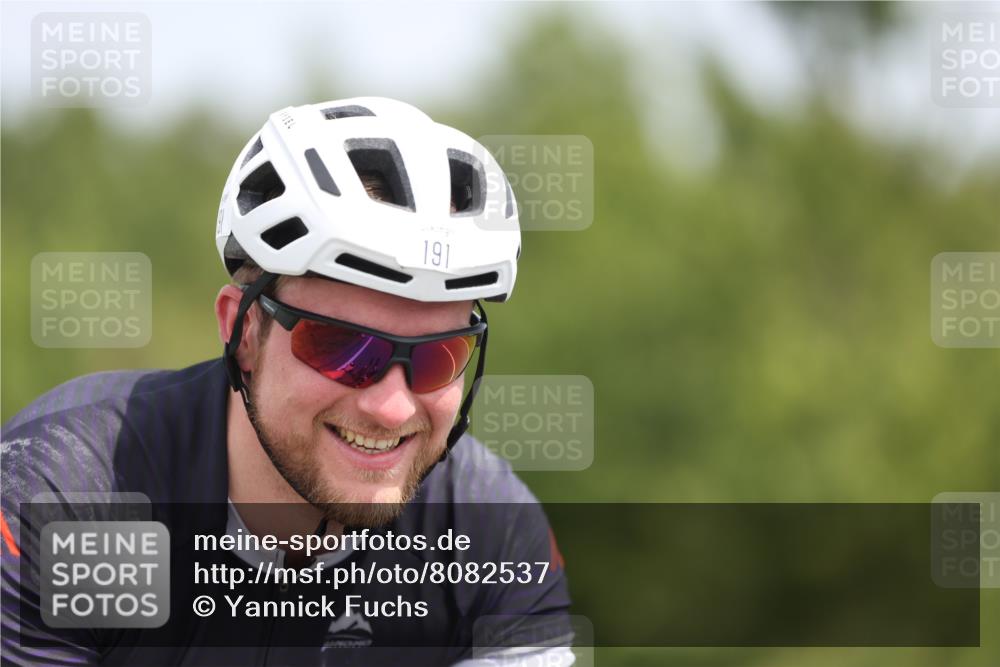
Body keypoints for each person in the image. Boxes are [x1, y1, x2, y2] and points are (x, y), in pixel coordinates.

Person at [1, 97, 573, 666]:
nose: (392, 408)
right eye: (343, 348)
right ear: (243, 333)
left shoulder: (490, 529)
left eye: (438, 357)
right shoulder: (75, 497)